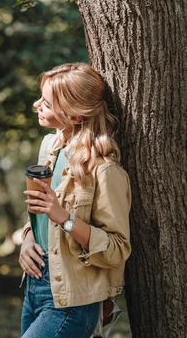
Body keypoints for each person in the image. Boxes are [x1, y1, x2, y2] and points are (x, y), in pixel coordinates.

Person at [19, 63, 131, 338]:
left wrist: (65, 219)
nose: (37, 105)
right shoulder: (50, 148)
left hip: (73, 301)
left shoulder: (105, 171)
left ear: (76, 115)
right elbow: (41, 213)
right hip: (35, 287)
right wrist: (27, 240)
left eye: (46, 102)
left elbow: (117, 249)